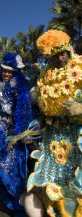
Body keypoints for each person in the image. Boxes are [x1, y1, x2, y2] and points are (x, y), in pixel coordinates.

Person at [26, 29, 82, 217]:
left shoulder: (80, 66)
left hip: (76, 135)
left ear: (69, 49)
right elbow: (40, 105)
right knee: (52, 178)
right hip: (53, 136)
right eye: (55, 55)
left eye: (63, 52)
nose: (61, 57)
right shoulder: (45, 75)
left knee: (73, 180)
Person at [0, 52, 36, 216]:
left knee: (15, 165)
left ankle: (17, 203)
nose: (6, 74)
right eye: (4, 70)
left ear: (15, 72)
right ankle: (0, 191)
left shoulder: (21, 87)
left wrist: (25, 131)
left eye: (10, 71)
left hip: (14, 130)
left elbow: (26, 111)